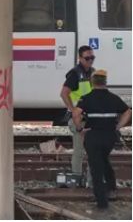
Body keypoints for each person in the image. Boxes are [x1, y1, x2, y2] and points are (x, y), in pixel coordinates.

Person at [72, 70, 131, 210]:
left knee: (96, 169)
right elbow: (128, 111)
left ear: (92, 82)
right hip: (110, 137)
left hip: (93, 136)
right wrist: (118, 126)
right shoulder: (114, 98)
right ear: (105, 82)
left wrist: (80, 128)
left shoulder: (86, 98)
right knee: (103, 158)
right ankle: (111, 186)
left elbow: (76, 113)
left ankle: (102, 204)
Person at [60, 45, 95, 178]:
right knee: (79, 151)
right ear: (80, 58)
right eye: (87, 58)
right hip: (78, 118)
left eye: (92, 58)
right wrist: (73, 110)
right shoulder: (75, 74)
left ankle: (89, 180)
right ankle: (77, 177)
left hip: (89, 117)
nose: (90, 61)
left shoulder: (92, 72)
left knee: (91, 151)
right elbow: (64, 93)